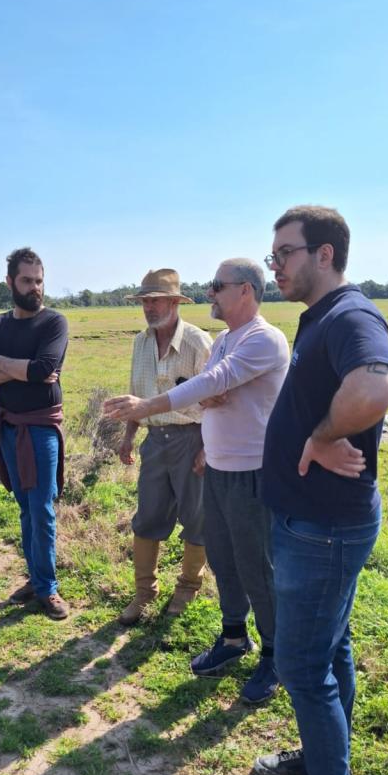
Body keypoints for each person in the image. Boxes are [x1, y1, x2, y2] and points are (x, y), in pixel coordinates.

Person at [250, 206, 388, 775]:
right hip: (310, 522)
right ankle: (320, 761)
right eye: (274, 252)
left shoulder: (350, 317)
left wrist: (322, 436)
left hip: (324, 529)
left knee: (303, 668)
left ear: (326, 253)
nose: (274, 264)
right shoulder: (318, 319)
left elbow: (377, 385)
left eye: (284, 252)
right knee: (329, 650)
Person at [104, 258, 289, 701]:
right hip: (221, 466)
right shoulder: (225, 340)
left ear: (246, 291)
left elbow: (214, 382)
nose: (212, 294)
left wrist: (148, 406)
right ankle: (232, 638)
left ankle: (275, 656)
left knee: (256, 566)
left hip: (253, 470)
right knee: (224, 558)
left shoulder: (265, 339)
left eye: (218, 286)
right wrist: (206, 396)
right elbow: (210, 388)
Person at [0, 247, 69, 620]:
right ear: (10, 282)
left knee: (42, 508)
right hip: (9, 426)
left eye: (39, 280)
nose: (35, 288)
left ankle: (48, 589)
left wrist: (3, 363)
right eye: (27, 280)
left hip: (42, 426)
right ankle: (36, 577)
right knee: (24, 507)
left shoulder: (54, 323)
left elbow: (44, 368)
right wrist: (11, 365)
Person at [114, 269, 212, 625]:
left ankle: (188, 586)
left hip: (193, 438)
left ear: (175, 302)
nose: (149, 308)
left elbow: (217, 400)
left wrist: (208, 447)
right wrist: (128, 435)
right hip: (155, 441)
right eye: (144, 302)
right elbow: (136, 396)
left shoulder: (198, 343)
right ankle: (144, 592)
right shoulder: (140, 343)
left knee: (197, 517)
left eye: (155, 301)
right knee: (148, 517)